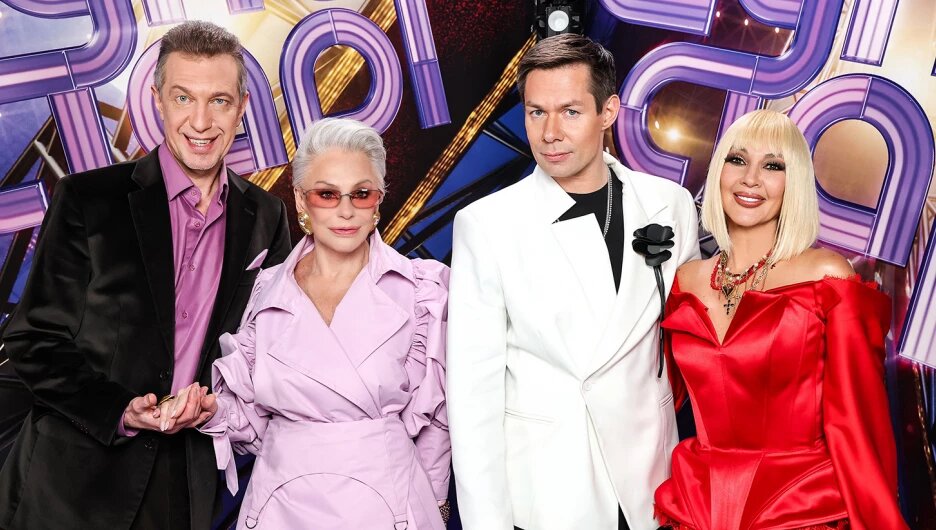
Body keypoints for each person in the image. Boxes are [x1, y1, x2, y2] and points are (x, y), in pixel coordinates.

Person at [0, 21, 291, 530]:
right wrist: (120, 410)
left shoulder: (267, 216)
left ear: (242, 107)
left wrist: (220, 404)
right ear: (157, 101)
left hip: (185, 490)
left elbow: (271, 350)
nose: (200, 121)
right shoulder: (88, 199)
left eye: (219, 101)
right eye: (183, 97)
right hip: (70, 485)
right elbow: (34, 341)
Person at [447, 34, 700, 530]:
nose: (549, 133)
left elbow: (688, 343)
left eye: (569, 111)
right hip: (551, 491)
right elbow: (473, 394)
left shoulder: (668, 204)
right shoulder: (487, 224)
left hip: (651, 482)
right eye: (536, 112)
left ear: (608, 111)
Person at [653, 109, 908, 530]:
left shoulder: (827, 276)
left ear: (795, 183)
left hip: (800, 510)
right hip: (698, 506)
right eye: (737, 160)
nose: (751, 178)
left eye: (773, 166)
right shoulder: (685, 281)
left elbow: (859, 424)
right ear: (719, 172)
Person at [196, 117, 451, 529]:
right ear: (301, 200)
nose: (345, 211)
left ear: (379, 199)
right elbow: (249, 418)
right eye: (327, 194)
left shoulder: (422, 291)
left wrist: (436, 508)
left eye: (361, 194)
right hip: (281, 507)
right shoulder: (265, 290)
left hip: (387, 508)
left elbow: (436, 423)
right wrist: (210, 411)